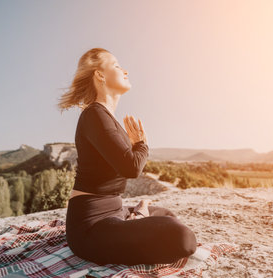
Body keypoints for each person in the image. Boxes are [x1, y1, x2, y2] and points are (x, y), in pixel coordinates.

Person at [57, 48, 197, 266]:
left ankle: (134, 215)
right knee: (183, 239)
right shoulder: (94, 114)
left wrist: (137, 146)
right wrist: (142, 143)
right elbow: (131, 168)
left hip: (115, 212)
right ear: (100, 75)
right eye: (116, 65)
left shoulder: (105, 117)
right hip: (91, 227)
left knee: (166, 214)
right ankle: (137, 216)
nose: (125, 70)